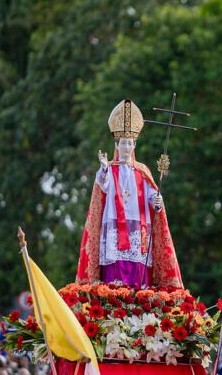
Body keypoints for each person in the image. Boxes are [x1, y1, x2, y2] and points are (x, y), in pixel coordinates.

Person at [77, 99, 182, 290]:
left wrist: (158, 201)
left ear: (134, 145)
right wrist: (103, 168)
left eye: (130, 143)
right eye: (123, 143)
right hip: (115, 224)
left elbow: (152, 196)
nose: (126, 147)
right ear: (116, 145)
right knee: (115, 270)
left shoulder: (142, 171)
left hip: (138, 226)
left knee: (138, 270)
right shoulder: (109, 169)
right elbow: (104, 183)